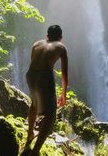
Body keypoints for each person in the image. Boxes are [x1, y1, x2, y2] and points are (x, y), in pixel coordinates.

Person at [24, 25, 68, 156]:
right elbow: (64, 74)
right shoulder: (61, 47)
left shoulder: (36, 44)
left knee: (34, 104)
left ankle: (30, 135)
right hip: (44, 76)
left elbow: (34, 63)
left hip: (30, 75)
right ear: (60, 38)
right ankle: (35, 151)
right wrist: (63, 94)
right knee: (51, 115)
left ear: (47, 36)